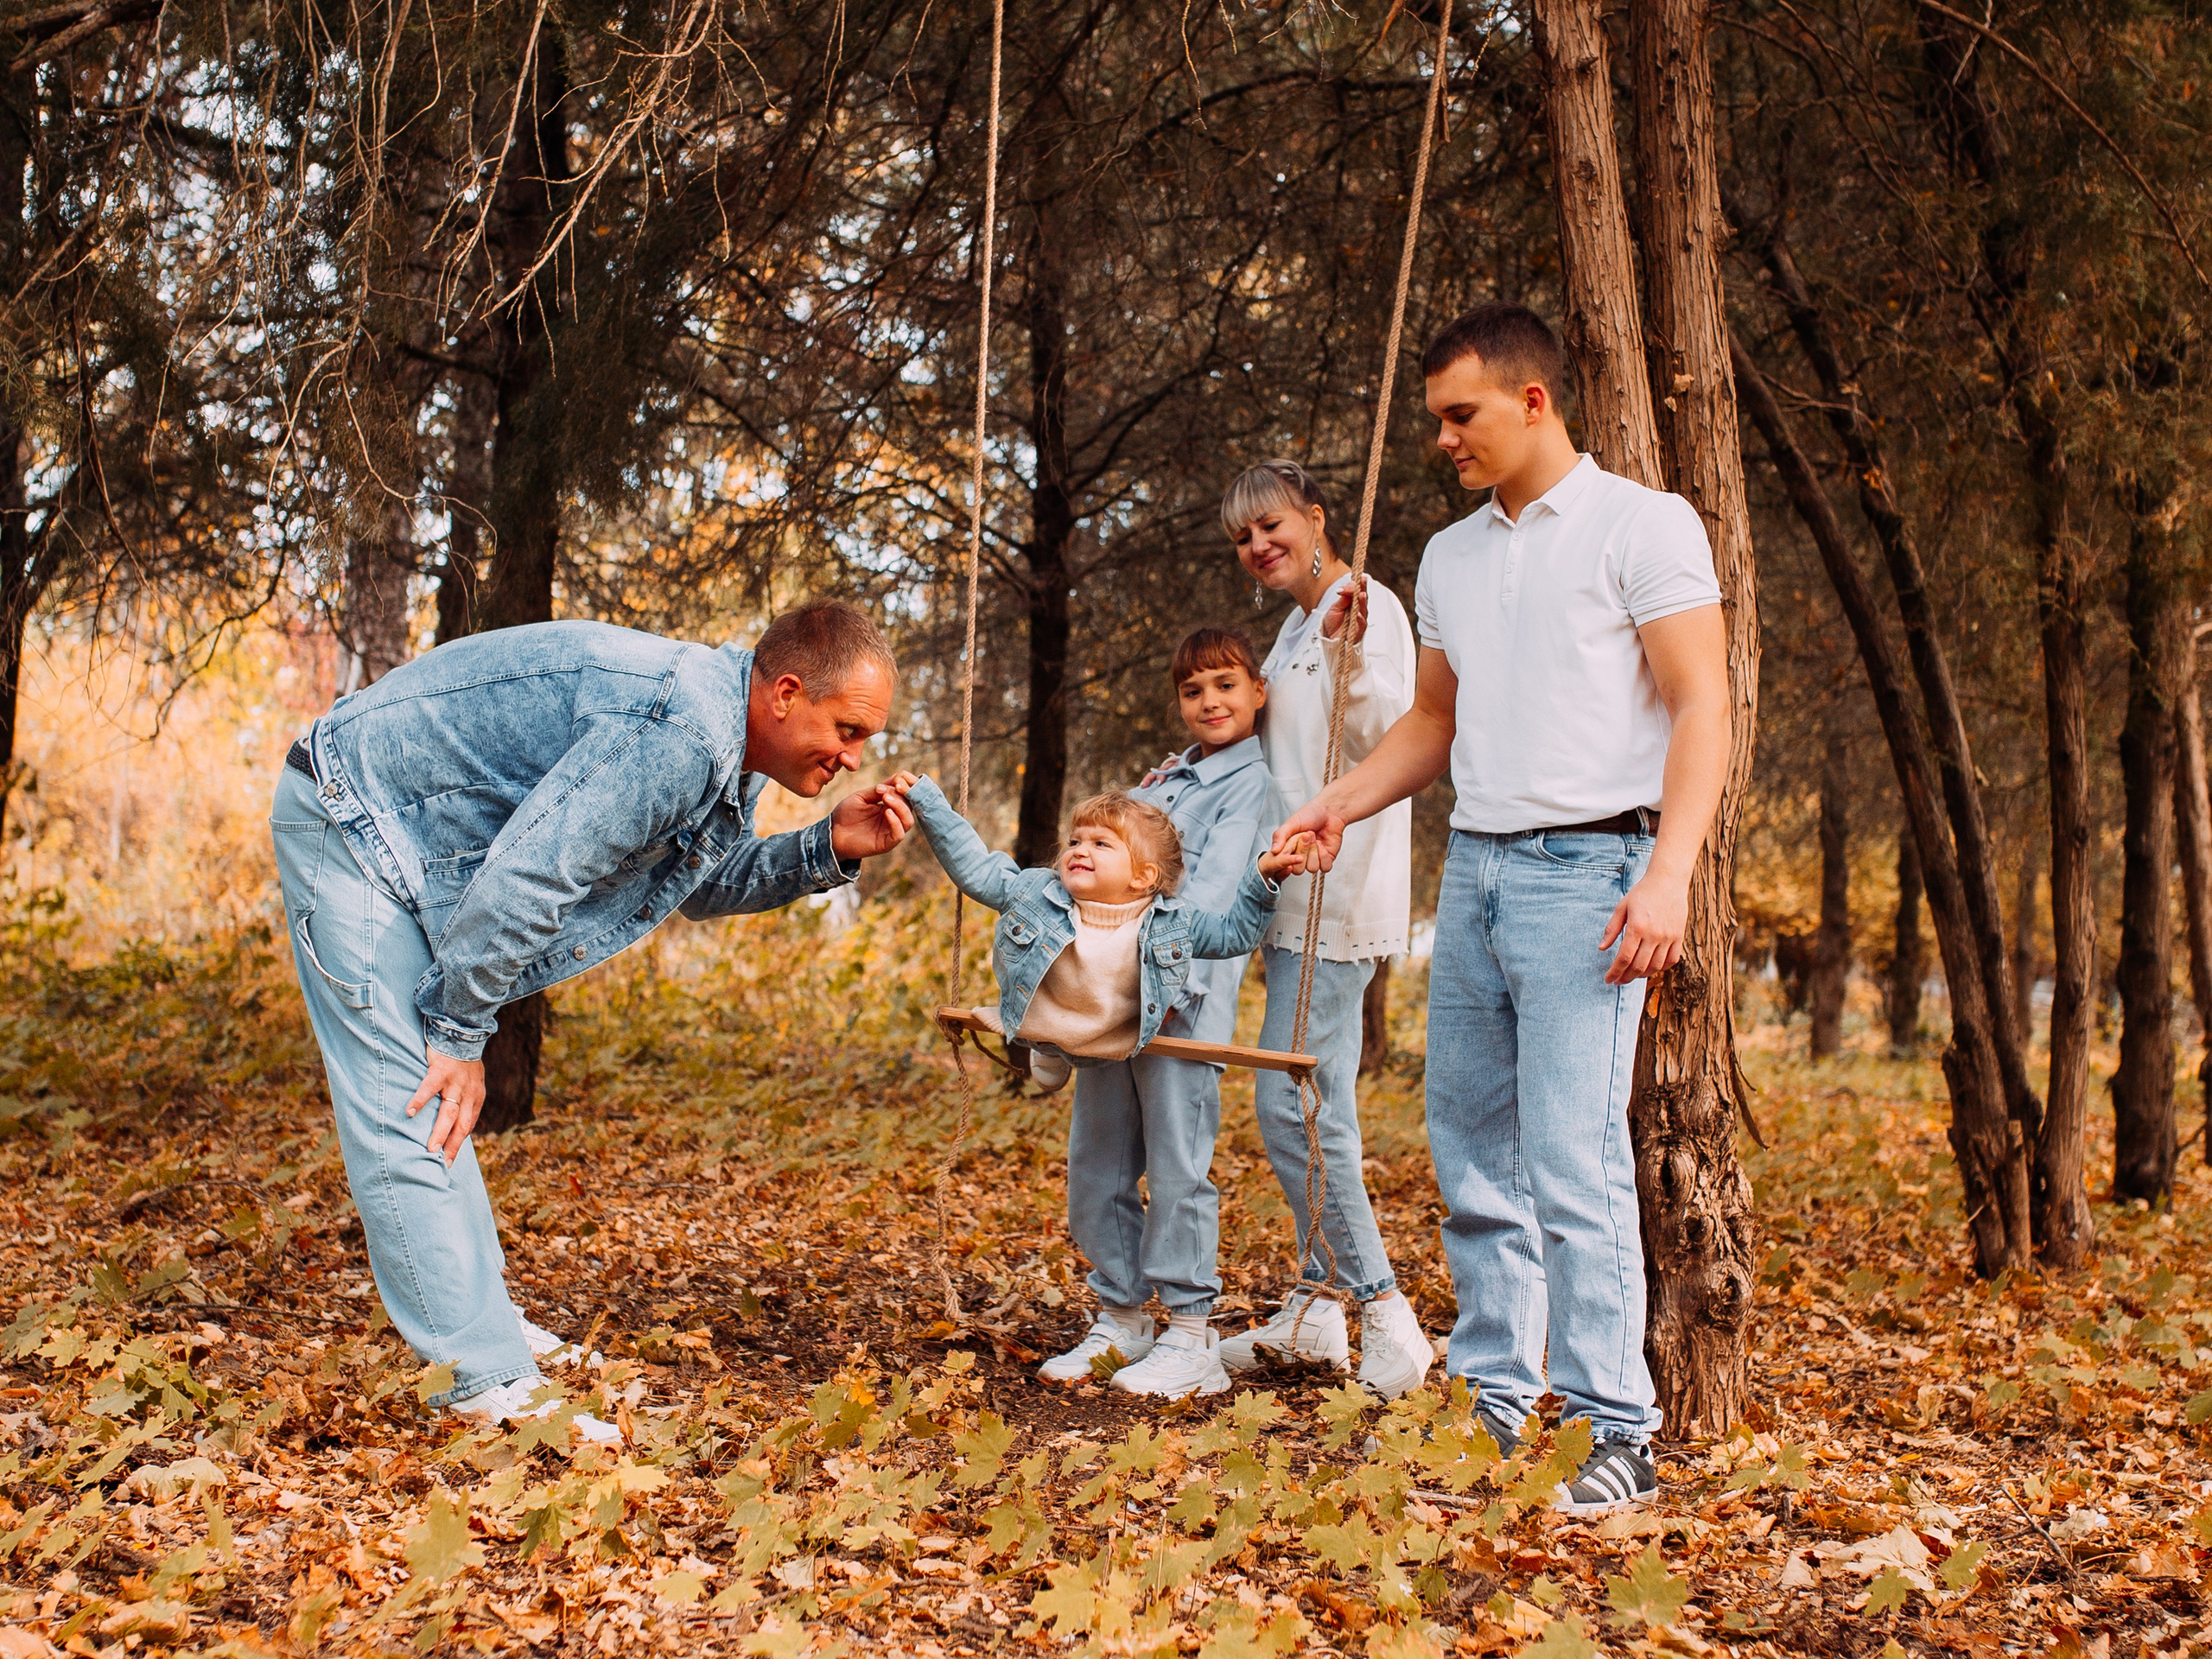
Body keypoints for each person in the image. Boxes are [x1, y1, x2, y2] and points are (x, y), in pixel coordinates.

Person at [1274, 304, 1731, 1515]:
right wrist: (1337, 803)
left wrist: (1670, 875)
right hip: (1473, 871)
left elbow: (1704, 706)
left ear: (1534, 402)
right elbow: (1434, 721)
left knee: (1574, 1161)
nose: (1444, 439)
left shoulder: (1644, 525)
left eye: (1460, 414)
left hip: (1592, 876)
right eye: (1435, 419)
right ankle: (1490, 1403)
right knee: (1473, 1155)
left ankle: (1613, 1430)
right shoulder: (1451, 556)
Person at [270, 600, 918, 1435]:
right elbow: (532, 878)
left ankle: (486, 1328)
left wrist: (827, 846)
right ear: (787, 693)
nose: (855, 757)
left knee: (434, 1097)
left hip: (409, 836)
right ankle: (478, 1378)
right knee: (415, 1096)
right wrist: (461, 1032)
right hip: (352, 817)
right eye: (849, 730)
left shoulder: (727, 739)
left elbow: (691, 880)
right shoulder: (682, 732)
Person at [890, 769, 1313, 1398]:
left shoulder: (1172, 921)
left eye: (1101, 843)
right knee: (1094, 1176)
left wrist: (1264, 879)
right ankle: (1123, 1318)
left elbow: (1233, 934)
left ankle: (1191, 1334)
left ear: (1143, 877)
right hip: (1083, 1040)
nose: (1079, 849)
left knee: (1177, 1176)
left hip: (1139, 1035)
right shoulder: (1038, 894)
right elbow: (976, 869)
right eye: (1075, 839)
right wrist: (927, 800)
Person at [1213, 461, 1432, 1401]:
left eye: (1271, 525)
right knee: (1310, 1100)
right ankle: (1314, 1307)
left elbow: (1399, 733)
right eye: (1242, 537)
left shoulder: (1365, 607)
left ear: (1315, 516)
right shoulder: (1294, 625)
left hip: (1340, 892)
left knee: (1294, 1103)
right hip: (1288, 891)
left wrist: (1349, 652)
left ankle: (1385, 1312)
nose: (1259, 546)